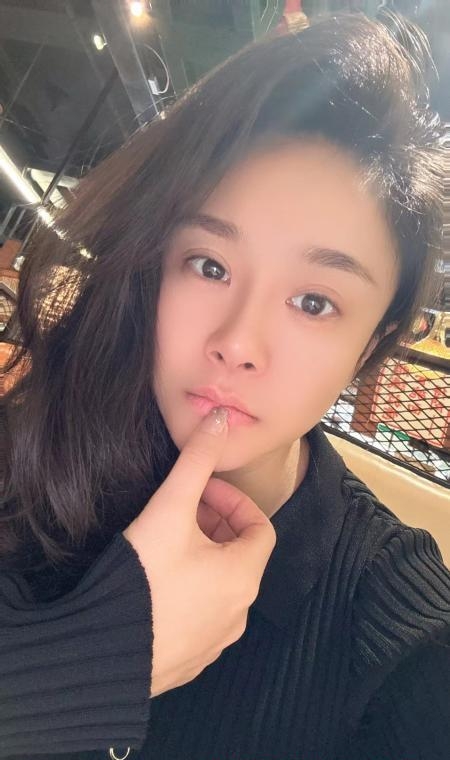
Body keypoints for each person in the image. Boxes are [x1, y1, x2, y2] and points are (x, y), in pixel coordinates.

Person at [1, 11, 449, 760]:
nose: (237, 344)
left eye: (314, 302)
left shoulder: (403, 644)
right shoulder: (33, 447)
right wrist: (96, 658)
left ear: (369, 347)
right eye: (209, 266)